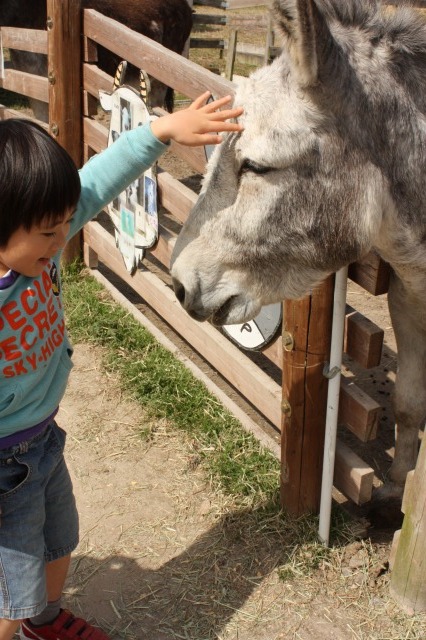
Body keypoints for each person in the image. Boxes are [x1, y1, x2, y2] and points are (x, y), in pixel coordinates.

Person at [0, 92, 243, 640]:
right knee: (11, 587)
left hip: (42, 439)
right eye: (49, 231)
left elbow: (96, 181)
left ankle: (45, 619)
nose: (63, 238)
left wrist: (160, 132)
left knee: (60, 540)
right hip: (2, 463)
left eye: (66, 223)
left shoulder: (41, 232)